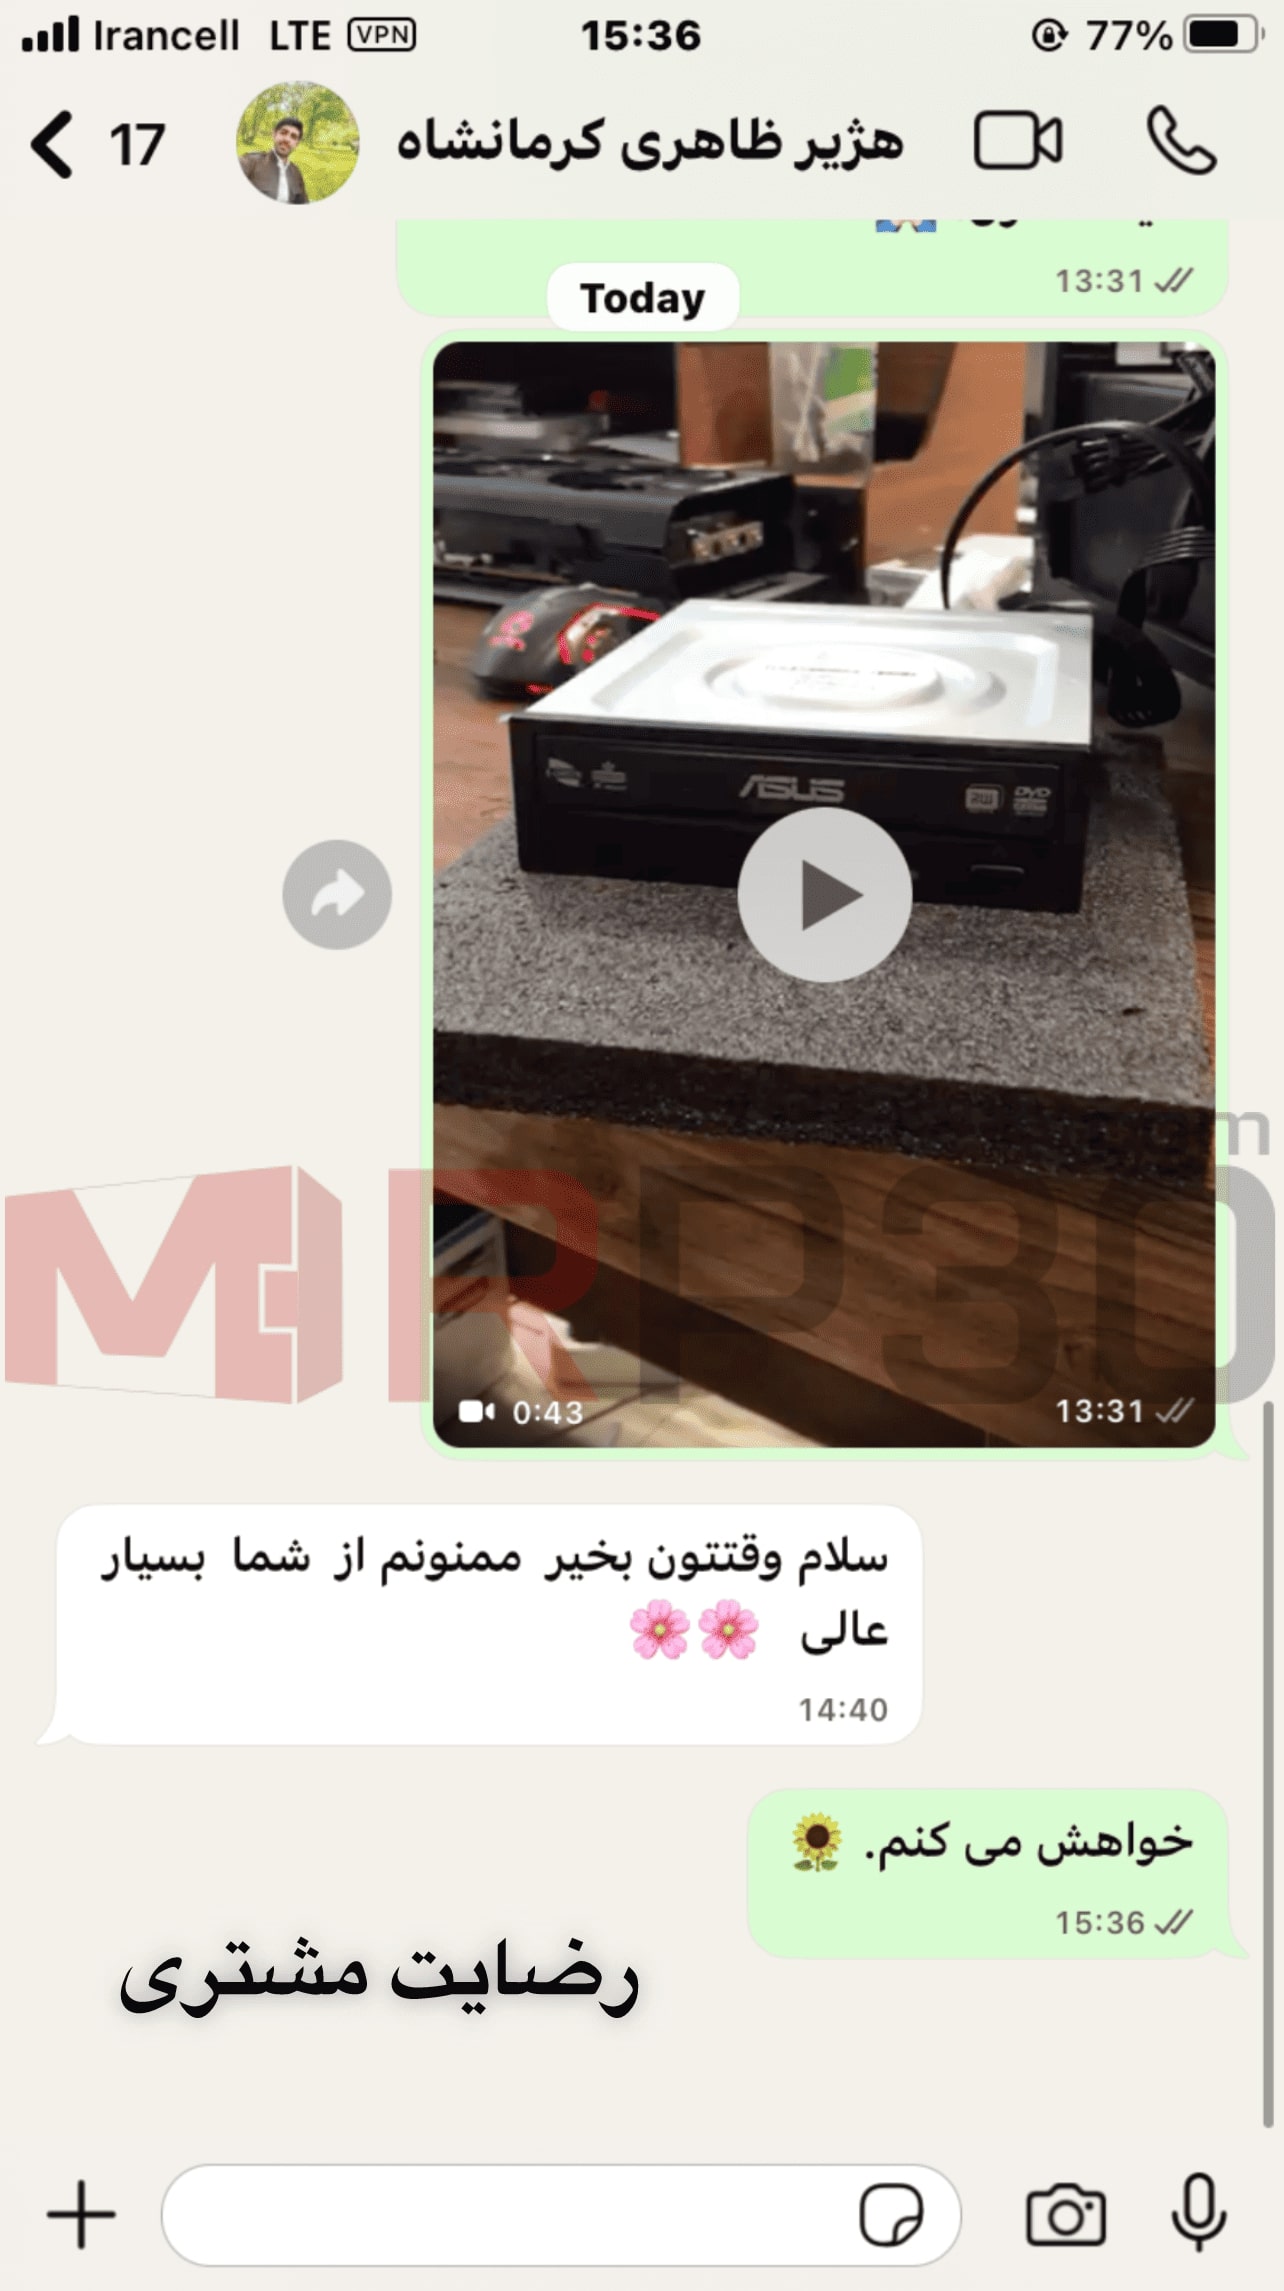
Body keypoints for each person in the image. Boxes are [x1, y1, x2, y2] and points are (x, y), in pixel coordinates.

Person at [240, 118, 308, 204]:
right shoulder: (250, 162)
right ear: (274, 134)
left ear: (296, 144)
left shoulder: (296, 173)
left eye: (293, 137)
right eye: (283, 133)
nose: (287, 139)